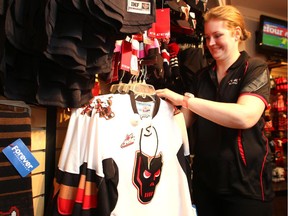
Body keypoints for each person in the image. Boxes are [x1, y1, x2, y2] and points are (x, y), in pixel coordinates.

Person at [156, 5, 274, 216]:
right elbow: (184, 122)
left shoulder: (254, 68)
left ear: (236, 33)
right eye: (207, 36)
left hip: (247, 185)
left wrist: (187, 101)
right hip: (206, 183)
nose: (210, 43)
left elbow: (244, 116)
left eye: (217, 35)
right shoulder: (202, 76)